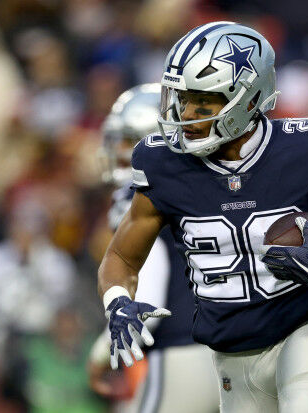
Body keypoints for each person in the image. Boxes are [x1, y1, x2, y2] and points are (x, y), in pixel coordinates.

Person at [98, 22, 308, 412]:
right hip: (231, 354)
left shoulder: (304, 149)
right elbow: (120, 259)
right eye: (182, 99)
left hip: (303, 334)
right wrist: (117, 301)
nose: (187, 113)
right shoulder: (163, 165)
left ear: (248, 99)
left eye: (204, 101)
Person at [89, 84, 219, 413]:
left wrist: (103, 350)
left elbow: (146, 302)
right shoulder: (203, 187)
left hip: (184, 351)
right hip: (234, 350)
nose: (117, 150)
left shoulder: (147, 199)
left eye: (128, 139)